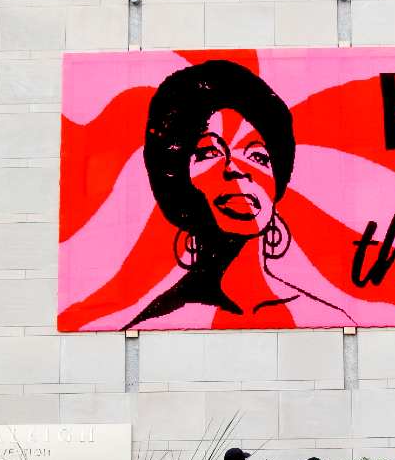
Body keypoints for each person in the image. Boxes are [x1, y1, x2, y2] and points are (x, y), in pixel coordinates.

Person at [127, 59, 352, 329]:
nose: (235, 169)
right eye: (210, 152)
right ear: (177, 176)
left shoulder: (329, 319)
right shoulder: (160, 321)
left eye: (257, 155)